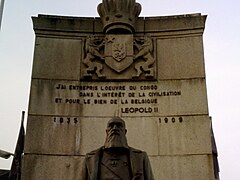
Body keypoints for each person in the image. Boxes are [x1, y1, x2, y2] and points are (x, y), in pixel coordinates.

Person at [81, 117, 154, 180]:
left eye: (119, 126)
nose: (115, 128)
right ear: (107, 132)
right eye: (111, 126)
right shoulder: (91, 159)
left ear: (125, 132)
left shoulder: (140, 158)